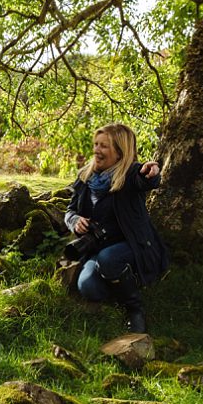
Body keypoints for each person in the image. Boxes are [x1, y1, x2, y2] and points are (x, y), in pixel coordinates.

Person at [64, 123, 167, 333]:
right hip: (98, 247)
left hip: (133, 245)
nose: (96, 150)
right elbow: (70, 210)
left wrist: (151, 172)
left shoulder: (130, 175)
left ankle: (135, 310)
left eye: (103, 146)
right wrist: (75, 221)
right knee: (88, 287)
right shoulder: (86, 177)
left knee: (109, 259)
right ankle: (124, 283)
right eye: (95, 144)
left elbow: (147, 179)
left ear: (120, 152)